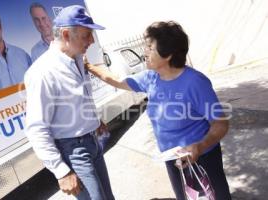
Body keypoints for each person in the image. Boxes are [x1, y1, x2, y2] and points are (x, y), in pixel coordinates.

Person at [86, 21, 232, 200]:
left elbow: (221, 124)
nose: (144, 52)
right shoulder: (150, 78)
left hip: (202, 157)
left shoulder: (195, 83)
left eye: (150, 47)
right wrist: (89, 67)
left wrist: (200, 147)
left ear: (168, 54)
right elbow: (117, 80)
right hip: (173, 159)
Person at [24, 5, 114, 200]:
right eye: (86, 35)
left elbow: (79, 98)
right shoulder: (43, 72)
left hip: (93, 141)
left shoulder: (77, 59)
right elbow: (36, 128)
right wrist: (61, 171)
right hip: (74, 150)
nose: (91, 40)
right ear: (66, 34)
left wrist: (94, 120)